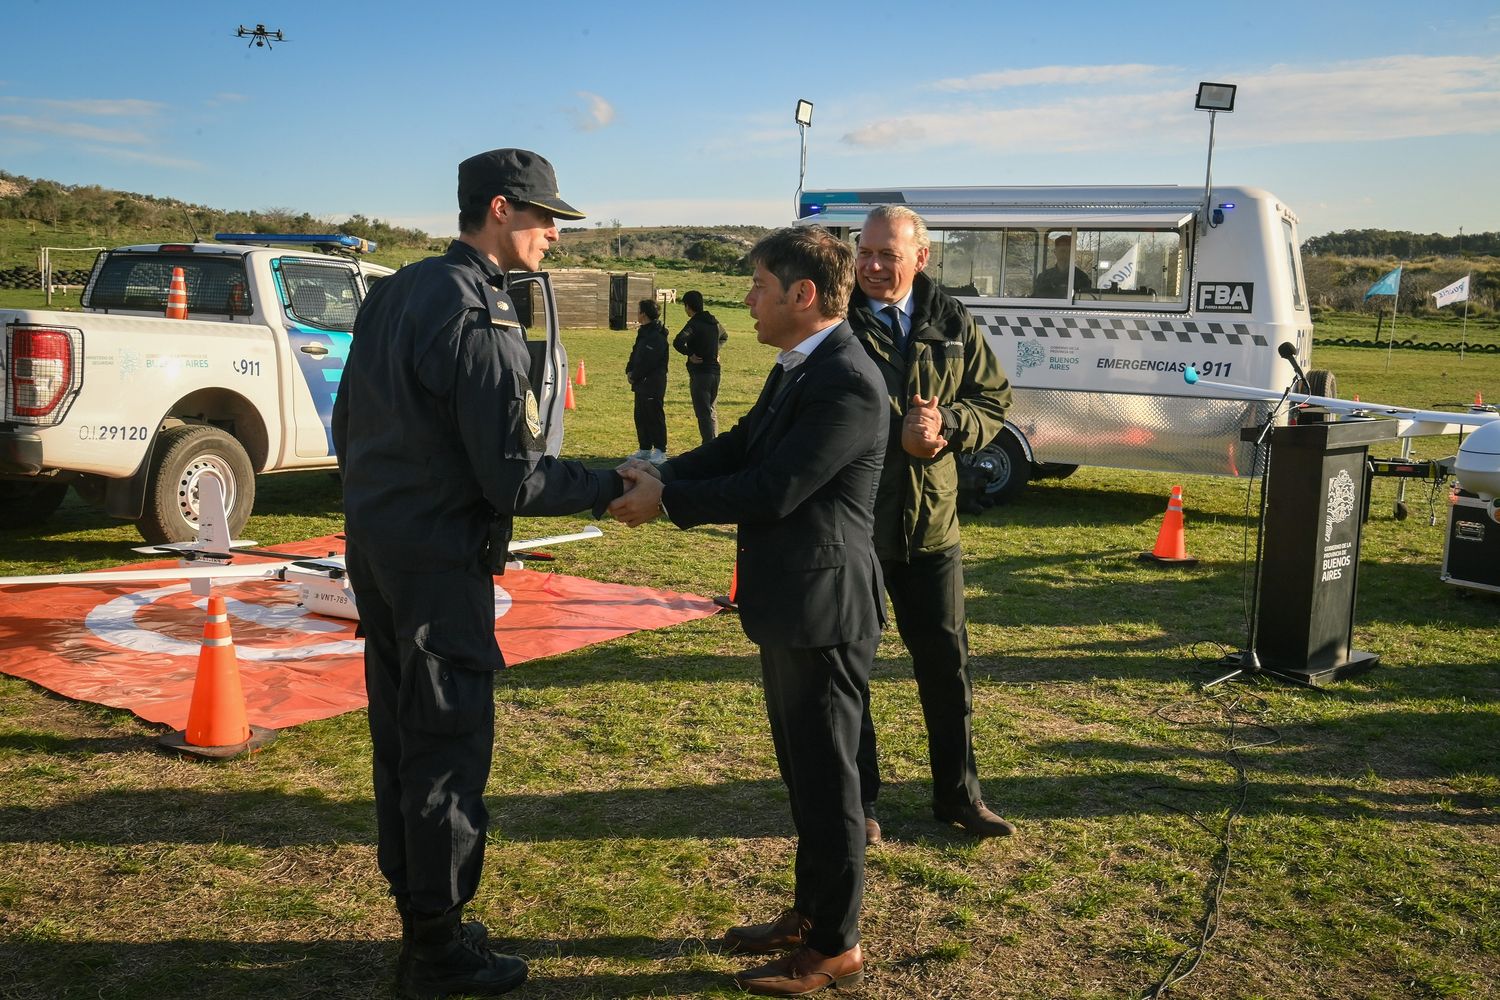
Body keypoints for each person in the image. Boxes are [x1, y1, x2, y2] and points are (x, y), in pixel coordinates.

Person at [331, 147, 626, 1000]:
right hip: (438, 562)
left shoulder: (394, 290)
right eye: (544, 220)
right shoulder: (478, 309)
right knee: (447, 745)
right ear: (500, 210)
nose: (554, 239)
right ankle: (437, 947)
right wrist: (615, 486)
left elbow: (348, 423)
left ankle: (423, 914)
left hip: (380, 547)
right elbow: (513, 474)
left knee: (400, 737)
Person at [610, 226, 886, 996]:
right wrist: (662, 468)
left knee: (831, 787)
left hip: (826, 610)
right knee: (805, 777)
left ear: (803, 295)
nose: (748, 301)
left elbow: (776, 488)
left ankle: (835, 947)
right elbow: (741, 448)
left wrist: (668, 501)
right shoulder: (800, 367)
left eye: (759, 287)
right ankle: (810, 913)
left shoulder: (848, 381)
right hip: (790, 602)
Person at [847, 204, 1016, 843]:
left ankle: (959, 796)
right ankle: (857, 805)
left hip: (932, 528)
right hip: (858, 525)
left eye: (887, 253)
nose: (871, 264)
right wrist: (900, 435)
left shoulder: (950, 318)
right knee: (852, 670)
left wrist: (947, 427)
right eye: (864, 251)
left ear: (922, 258)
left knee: (946, 667)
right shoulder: (840, 316)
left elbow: (993, 400)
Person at [672, 289, 729, 444]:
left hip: (700, 374)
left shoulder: (694, 324)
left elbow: (677, 341)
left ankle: (709, 448)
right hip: (715, 373)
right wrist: (716, 349)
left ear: (688, 306)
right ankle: (714, 444)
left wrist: (689, 354)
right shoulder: (714, 322)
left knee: (703, 413)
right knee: (711, 411)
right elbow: (724, 336)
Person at [625, 298, 669, 461]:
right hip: (640, 383)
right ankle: (644, 448)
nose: (637, 313)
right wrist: (629, 369)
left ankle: (660, 450)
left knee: (654, 415)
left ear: (643, 314)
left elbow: (649, 362)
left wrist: (635, 375)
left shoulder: (657, 336)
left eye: (638, 311)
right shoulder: (643, 332)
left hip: (653, 383)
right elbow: (635, 353)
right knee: (640, 415)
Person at [1032, 233, 1092, 299]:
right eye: (1062, 251)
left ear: (1073, 254)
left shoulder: (1082, 278)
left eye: (1069, 252)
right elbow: (1036, 300)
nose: (1065, 255)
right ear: (1055, 252)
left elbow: (1084, 301)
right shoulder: (1044, 277)